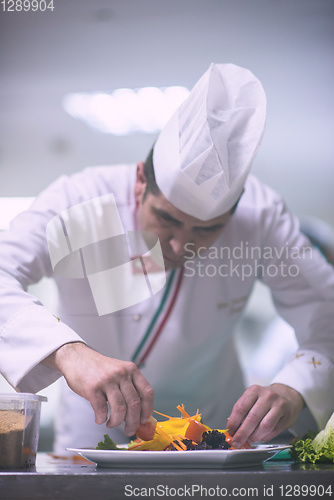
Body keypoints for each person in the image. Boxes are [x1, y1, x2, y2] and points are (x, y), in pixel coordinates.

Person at [0, 63, 333, 455]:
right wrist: (69, 353)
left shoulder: (261, 216)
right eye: (167, 219)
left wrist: (295, 388)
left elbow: (325, 316)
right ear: (140, 180)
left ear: (236, 210)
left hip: (215, 440)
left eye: (207, 230)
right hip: (91, 438)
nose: (179, 247)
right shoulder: (80, 200)